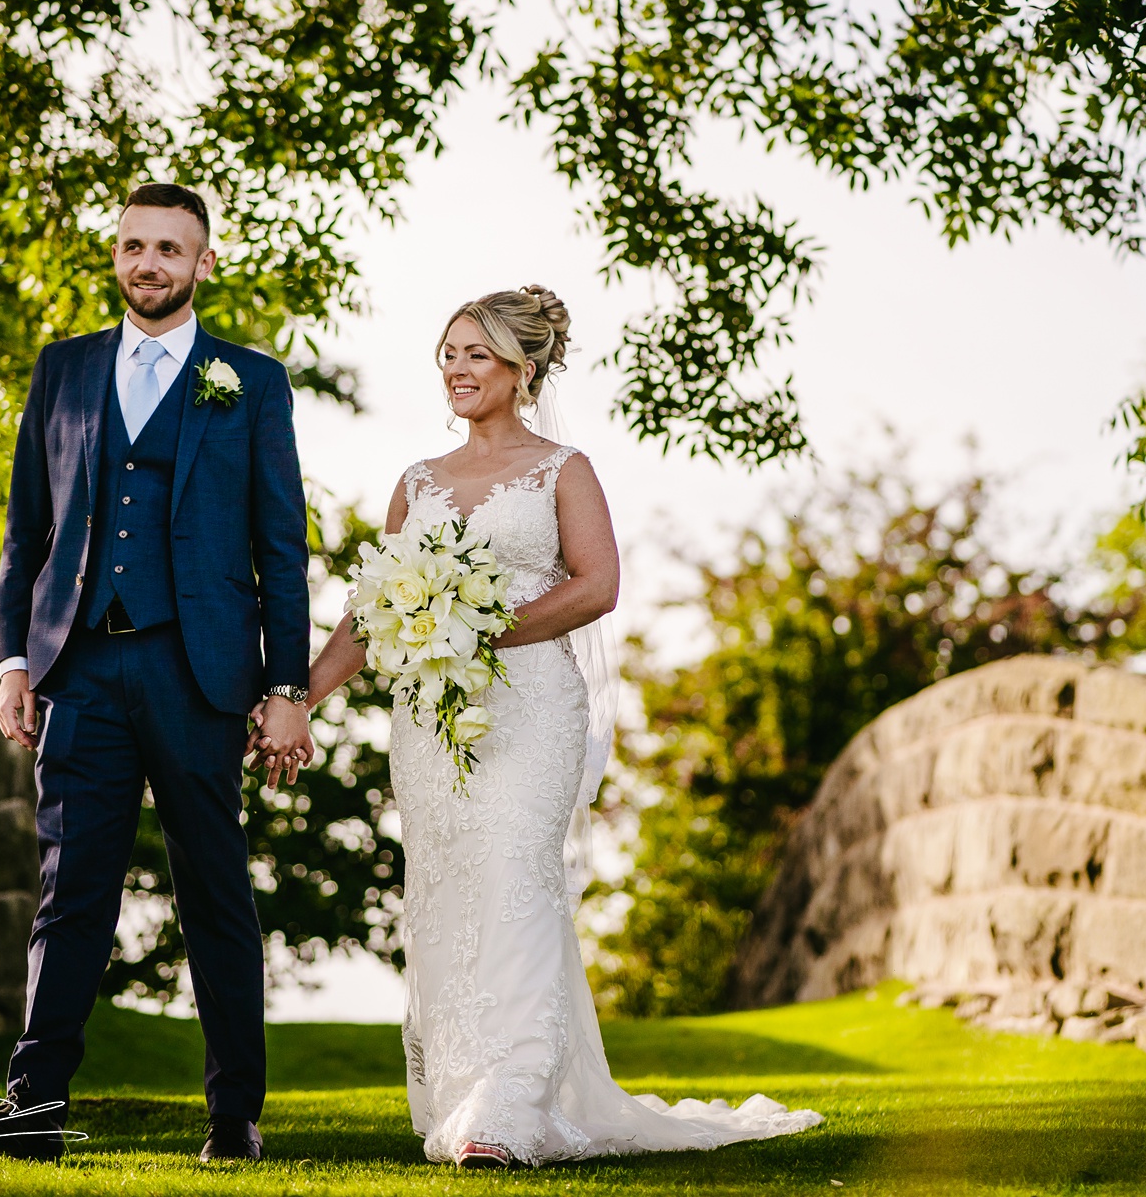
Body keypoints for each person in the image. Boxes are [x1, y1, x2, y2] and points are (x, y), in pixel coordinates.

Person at [254, 286, 821, 1167]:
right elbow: (370, 616)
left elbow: (597, 585)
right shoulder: (417, 482)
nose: (457, 369)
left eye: (476, 355)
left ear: (523, 369)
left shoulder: (564, 469)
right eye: (448, 353)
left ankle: (508, 1104)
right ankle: (464, 1087)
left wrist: (483, 625)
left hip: (532, 709)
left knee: (517, 875)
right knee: (447, 891)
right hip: (432, 722)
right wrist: (299, 696)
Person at [0, 182, 315, 1163]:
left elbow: (279, 544)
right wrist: (12, 659)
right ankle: (33, 1106)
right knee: (70, 893)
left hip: (199, 672)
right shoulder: (64, 369)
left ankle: (233, 1116)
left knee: (214, 894)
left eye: (170, 247)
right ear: (116, 255)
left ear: (204, 262)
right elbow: (25, 530)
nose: (148, 262)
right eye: (133, 245)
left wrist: (285, 686)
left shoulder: (249, 380)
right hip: (77, 670)